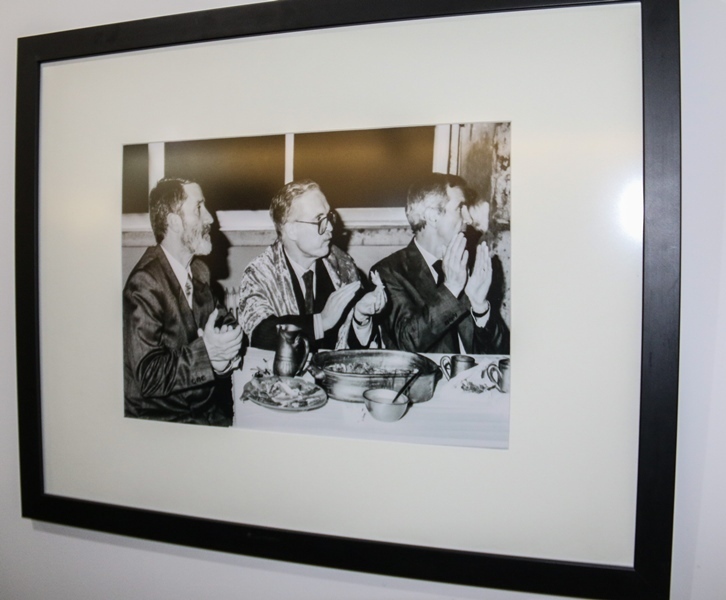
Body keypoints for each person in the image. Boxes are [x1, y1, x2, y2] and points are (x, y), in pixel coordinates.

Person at [123, 178, 243, 426]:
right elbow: (148, 376)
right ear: (174, 222)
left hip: (205, 409)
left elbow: (225, 323)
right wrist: (208, 352)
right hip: (165, 421)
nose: (210, 218)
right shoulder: (144, 284)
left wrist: (224, 356)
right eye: (199, 208)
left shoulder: (199, 271)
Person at [238, 179, 386, 351]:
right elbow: (259, 335)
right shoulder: (259, 274)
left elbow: (354, 351)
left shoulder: (343, 266)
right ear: (292, 230)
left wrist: (361, 318)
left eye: (329, 217)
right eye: (319, 220)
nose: (330, 228)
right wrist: (320, 322)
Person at [372, 173, 509, 354]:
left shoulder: (469, 265)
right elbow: (407, 343)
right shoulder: (389, 272)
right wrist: (451, 288)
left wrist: (480, 307)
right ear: (433, 216)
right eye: (460, 208)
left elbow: (502, 353)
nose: (468, 219)